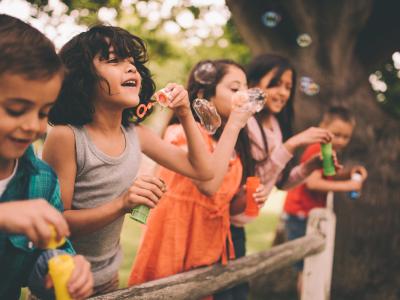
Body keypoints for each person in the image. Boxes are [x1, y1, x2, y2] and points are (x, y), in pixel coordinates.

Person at [42, 25, 214, 295]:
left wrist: (184, 113)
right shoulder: (67, 137)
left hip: (109, 280)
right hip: (64, 279)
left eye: (132, 63)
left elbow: (202, 170)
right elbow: (55, 222)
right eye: (114, 61)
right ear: (82, 78)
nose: (131, 68)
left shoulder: (137, 135)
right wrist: (122, 204)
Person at [128, 59, 268, 294]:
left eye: (246, 88)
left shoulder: (230, 146)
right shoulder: (180, 134)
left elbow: (223, 205)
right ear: (205, 94)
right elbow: (208, 185)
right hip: (174, 238)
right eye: (235, 89)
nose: (244, 96)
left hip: (210, 245)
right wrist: (234, 124)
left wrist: (246, 199)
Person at [221, 54, 333, 300]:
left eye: (288, 87)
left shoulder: (276, 125)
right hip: (222, 223)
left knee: (238, 291)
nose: (283, 92)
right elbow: (254, 179)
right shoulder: (243, 124)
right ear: (252, 83)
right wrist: (291, 145)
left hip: (238, 227)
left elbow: (280, 181)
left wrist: (309, 167)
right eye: (275, 83)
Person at [0, 14, 93, 299]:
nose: (32, 126)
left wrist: (60, 267)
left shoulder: (42, 180)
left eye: (43, 113)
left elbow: (48, 250)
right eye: (16, 109)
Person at [283, 105, 367, 296]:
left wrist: (347, 175)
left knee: (313, 267)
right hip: (300, 214)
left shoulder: (329, 150)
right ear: (323, 127)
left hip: (310, 215)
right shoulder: (317, 148)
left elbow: (327, 176)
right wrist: (349, 187)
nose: (341, 140)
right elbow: (313, 183)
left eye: (346, 137)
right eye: (337, 134)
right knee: (307, 269)